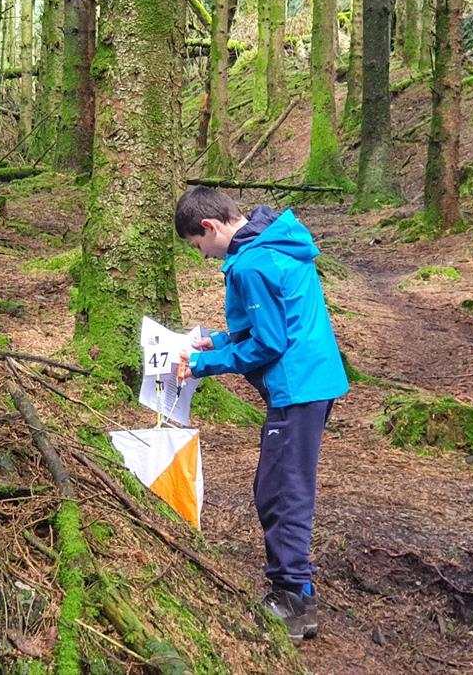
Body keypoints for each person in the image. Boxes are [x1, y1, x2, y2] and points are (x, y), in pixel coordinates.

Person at [174, 185, 349, 641]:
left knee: (280, 491)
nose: (205, 257)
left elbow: (269, 344)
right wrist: (219, 338)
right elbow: (271, 324)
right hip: (312, 379)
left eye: (199, 247)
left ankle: (292, 598)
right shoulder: (272, 242)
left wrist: (200, 364)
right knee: (279, 484)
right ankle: (297, 592)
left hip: (297, 387)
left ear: (209, 227)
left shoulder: (249, 264)